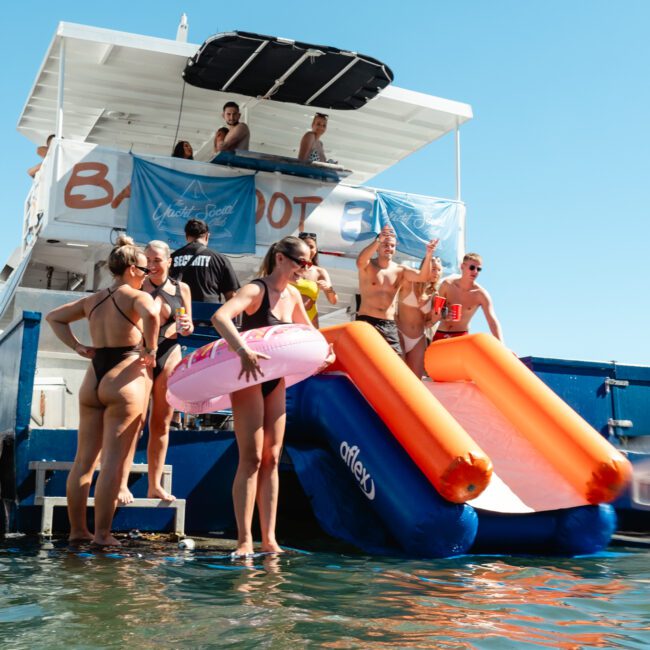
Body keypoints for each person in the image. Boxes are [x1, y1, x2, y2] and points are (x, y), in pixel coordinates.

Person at [211, 236, 333, 556]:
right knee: (250, 458)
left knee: (273, 458)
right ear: (281, 258)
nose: (305, 269)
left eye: (308, 263)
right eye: (301, 263)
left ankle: (269, 538)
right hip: (249, 376)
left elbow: (308, 333)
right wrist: (242, 350)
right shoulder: (255, 290)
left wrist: (325, 353)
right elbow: (220, 317)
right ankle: (243, 540)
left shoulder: (292, 294)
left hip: (274, 379)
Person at [45, 235, 159, 546]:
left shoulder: (92, 300)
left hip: (93, 378)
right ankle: (104, 535)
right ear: (134, 270)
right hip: (124, 375)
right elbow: (151, 315)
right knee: (113, 462)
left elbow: (53, 317)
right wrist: (151, 349)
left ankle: (78, 531)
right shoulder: (138, 297)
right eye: (147, 272)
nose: (148, 277)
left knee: (83, 461)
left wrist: (78, 347)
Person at [118, 240, 193, 503]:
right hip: (141, 354)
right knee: (135, 422)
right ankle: (122, 483)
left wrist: (186, 326)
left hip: (170, 352)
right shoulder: (136, 286)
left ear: (169, 261)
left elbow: (188, 327)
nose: (151, 265)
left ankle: (154, 485)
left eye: (157, 260)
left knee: (161, 422)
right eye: (147, 260)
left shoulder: (182, 289)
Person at [355, 225, 438, 356]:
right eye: (386, 245)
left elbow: (423, 277)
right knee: (363, 359)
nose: (389, 248)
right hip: (367, 320)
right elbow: (360, 261)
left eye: (392, 246)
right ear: (378, 247)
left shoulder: (400, 270)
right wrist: (378, 240)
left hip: (388, 324)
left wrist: (428, 254)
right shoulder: (369, 265)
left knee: (395, 361)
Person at [435, 252, 503, 342]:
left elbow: (492, 322)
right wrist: (445, 316)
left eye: (478, 269)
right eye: (472, 267)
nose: (475, 271)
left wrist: (502, 346)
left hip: (461, 336)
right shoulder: (447, 285)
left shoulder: (481, 294)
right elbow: (436, 310)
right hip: (441, 334)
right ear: (462, 266)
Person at [170, 218, 240, 303]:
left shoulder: (171, 258)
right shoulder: (219, 259)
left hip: (180, 311)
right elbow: (231, 295)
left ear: (186, 236)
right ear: (207, 236)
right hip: (209, 312)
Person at [396, 255, 443, 377]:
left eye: (439, 270)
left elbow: (427, 323)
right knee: (397, 375)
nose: (436, 273)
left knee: (415, 380)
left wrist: (434, 319)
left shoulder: (434, 294)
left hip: (418, 339)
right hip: (399, 332)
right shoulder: (409, 282)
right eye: (433, 269)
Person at [291, 232, 337, 328]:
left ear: (316, 250)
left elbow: (333, 301)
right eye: (304, 246)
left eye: (311, 247)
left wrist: (328, 289)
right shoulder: (289, 267)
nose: (308, 249)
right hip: (288, 319)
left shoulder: (320, 272)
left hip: (311, 321)